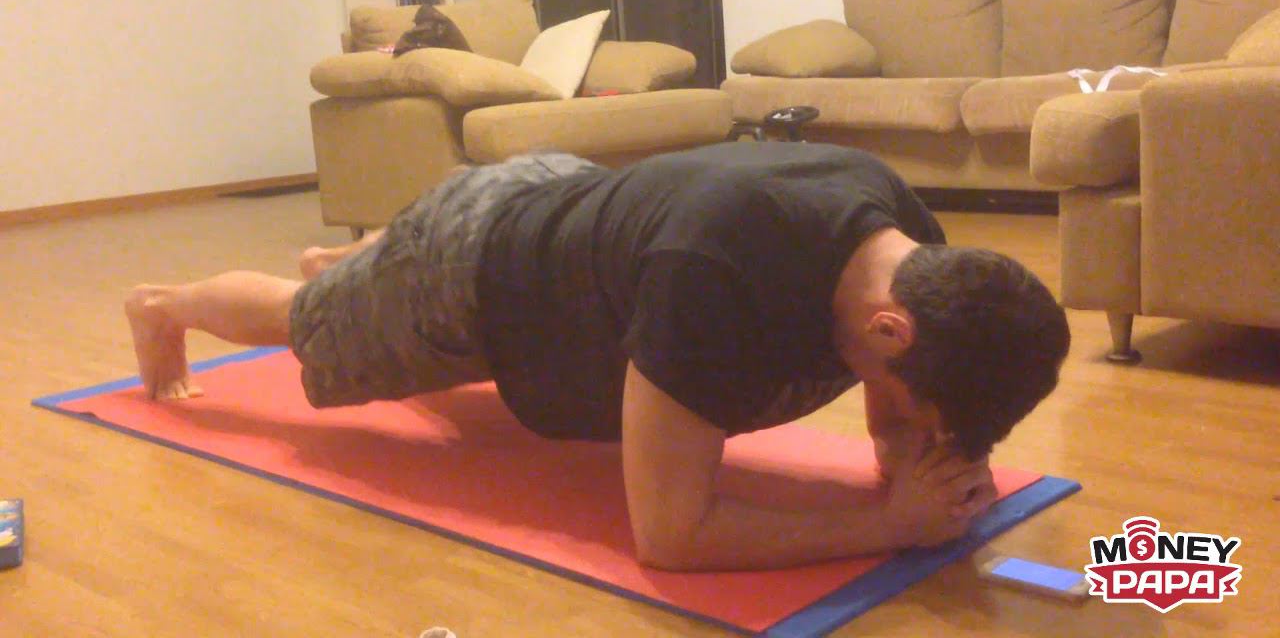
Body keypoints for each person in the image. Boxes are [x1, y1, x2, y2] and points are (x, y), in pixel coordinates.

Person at [125, 142, 1070, 571]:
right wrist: (890, 525)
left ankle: (355, 264)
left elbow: (902, 401)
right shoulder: (716, 277)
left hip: (568, 203)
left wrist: (921, 460)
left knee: (369, 281)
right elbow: (672, 537)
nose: (914, 426)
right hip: (471, 268)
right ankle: (169, 305)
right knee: (306, 323)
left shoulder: (908, 246)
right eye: (922, 409)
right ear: (890, 331)